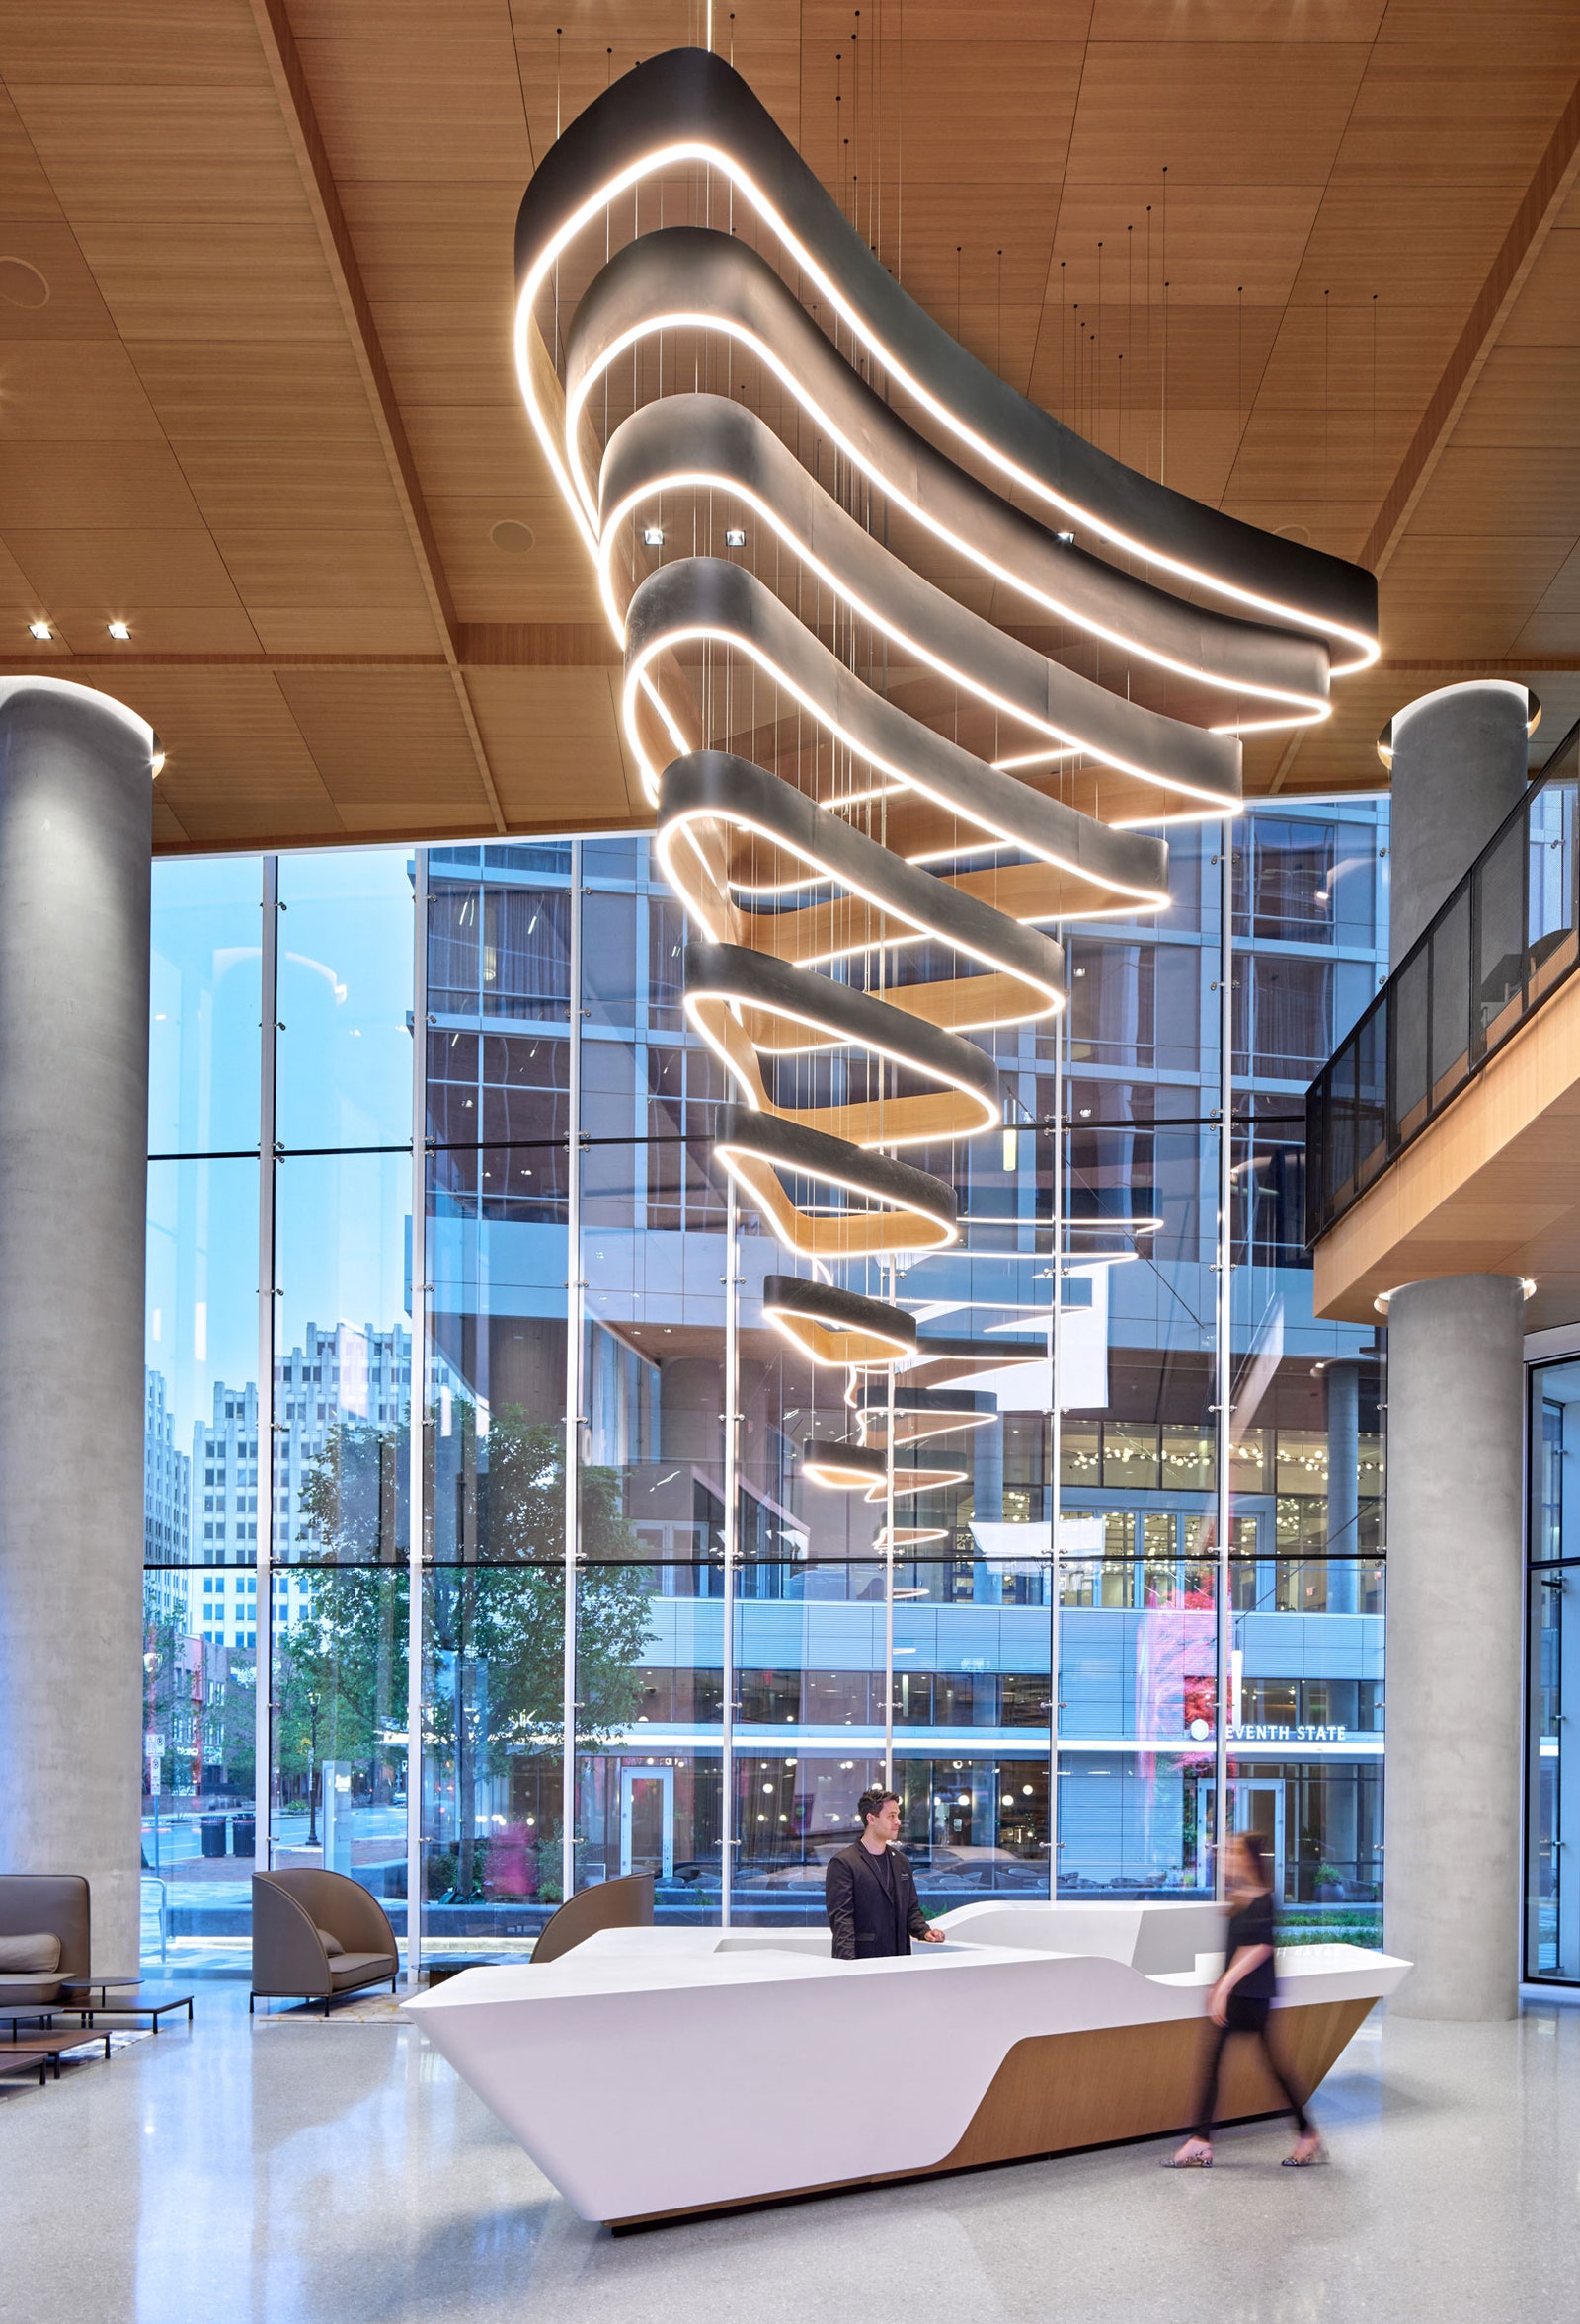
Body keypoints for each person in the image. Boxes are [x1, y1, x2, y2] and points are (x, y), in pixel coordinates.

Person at [1167, 1830, 1322, 2168]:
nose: (1226, 1858)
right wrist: (1219, 1986)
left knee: (1271, 2068)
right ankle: (1201, 2140)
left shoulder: (1264, 1898)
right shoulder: (1239, 1896)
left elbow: (1260, 1949)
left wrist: (1223, 1986)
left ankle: (1306, 2133)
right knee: (1215, 2062)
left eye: (1233, 1853)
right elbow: (1237, 1947)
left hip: (1253, 1996)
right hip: (1236, 1993)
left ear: (1249, 1859)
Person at [826, 1788, 946, 1960]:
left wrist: (925, 1931)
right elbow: (842, 1921)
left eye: (897, 1815)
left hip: (899, 1959)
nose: (897, 1822)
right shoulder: (844, 1863)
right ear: (871, 1818)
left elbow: (911, 1909)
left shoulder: (901, 1861)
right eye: (891, 1816)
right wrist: (847, 1967)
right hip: (862, 1961)